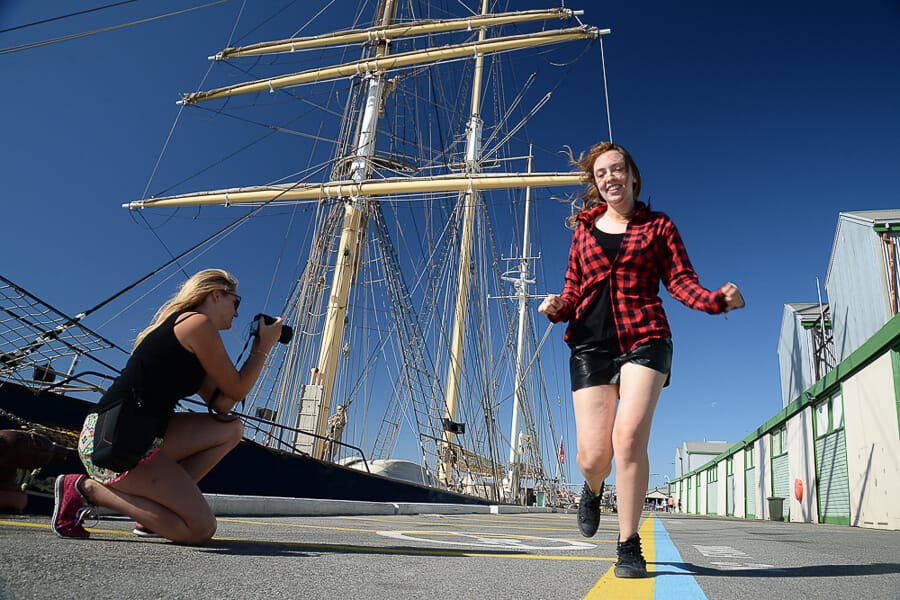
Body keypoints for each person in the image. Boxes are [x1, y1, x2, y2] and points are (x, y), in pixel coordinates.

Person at [538, 141, 744, 578]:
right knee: (593, 457)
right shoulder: (584, 229)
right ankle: (592, 489)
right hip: (591, 344)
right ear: (596, 184)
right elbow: (573, 288)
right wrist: (558, 307)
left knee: (629, 438)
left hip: (646, 337)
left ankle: (628, 544)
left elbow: (681, 281)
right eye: (601, 173)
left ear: (633, 176)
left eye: (617, 169)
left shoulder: (658, 226)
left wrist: (716, 302)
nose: (610, 178)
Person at [51, 268, 284, 545]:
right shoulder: (196, 323)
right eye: (236, 302)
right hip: (113, 441)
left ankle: (155, 514)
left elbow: (223, 403)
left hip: (140, 435)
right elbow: (237, 388)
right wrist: (263, 347)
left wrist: (260, 346)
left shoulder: (194, 336)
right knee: (199, 529)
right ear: (216, 295)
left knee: (231, 428)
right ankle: (85, 489)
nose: (236, 313)